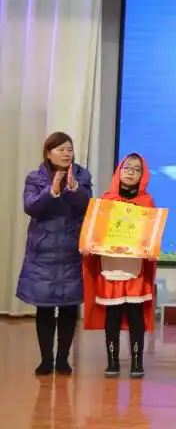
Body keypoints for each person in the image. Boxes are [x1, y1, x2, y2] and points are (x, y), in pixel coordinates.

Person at [18, 132, 93, 375]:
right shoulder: (36, 177)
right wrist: (50, 192)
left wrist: (74, 188)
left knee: (69, 307)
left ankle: (63, 359)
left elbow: (88, 206)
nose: (66, 153)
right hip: (43, 253)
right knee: (45, 307)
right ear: (48, 153)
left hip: (71, 251)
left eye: (69, 149)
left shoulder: (82, 175)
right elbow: (31, 207)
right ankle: (46, 359)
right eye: (60, 149)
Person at [82, 153, 157, 379]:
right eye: (127, 168)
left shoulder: (147, 202)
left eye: (137, 169)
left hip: (135, 268)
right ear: (119, 171)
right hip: (110, 266)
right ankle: (112, 362)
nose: (131, 172)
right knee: (112, 314)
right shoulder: (105, 201)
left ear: (143, 175)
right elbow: (92, 230)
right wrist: (87, 244)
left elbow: (152, 234)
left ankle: (137, 361)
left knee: (135, 314)